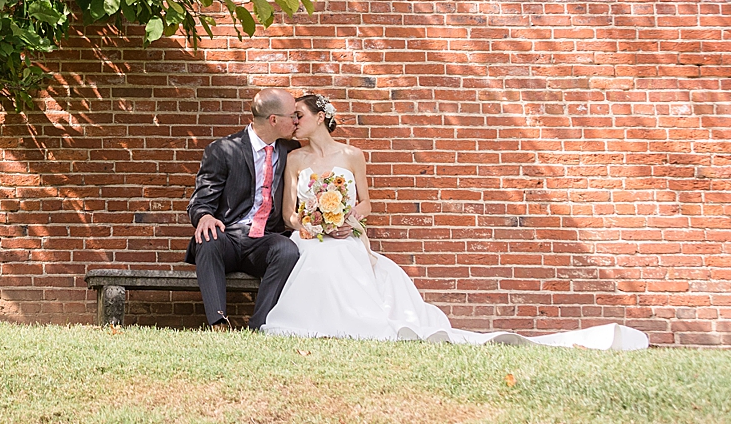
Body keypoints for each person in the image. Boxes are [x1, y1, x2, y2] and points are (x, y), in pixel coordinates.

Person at [259, 94, 649, 350]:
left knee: (344, 254)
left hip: (345, 232)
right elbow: (289, 212)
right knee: (315, 255)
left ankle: (359, 322)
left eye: (300, 116)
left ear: (321, 117)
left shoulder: (353, 155)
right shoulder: (295, 159)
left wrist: (347, 220)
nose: (294, 122)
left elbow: (367, 204)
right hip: (311, 234)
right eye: (292, 117)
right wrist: (310, 226)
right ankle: (313, 321)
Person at [184, 88, 301, 331]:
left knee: (287, 250)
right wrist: (204, 216)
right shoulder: (223, 150)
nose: (296, 121)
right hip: (228, 237)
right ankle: (218, 323)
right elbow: (201, 200)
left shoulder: (291, 151)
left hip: (263, 241)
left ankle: (260, 326)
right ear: (274, 119)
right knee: (207, 238)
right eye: (293, 115)